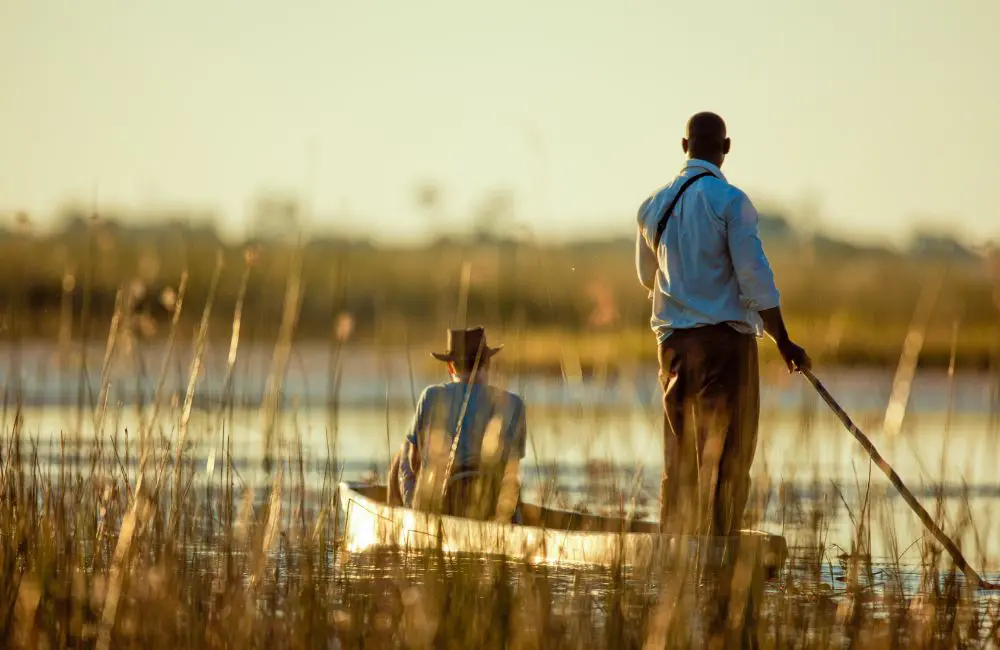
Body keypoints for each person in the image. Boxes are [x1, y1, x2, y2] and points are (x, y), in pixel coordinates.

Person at [635, 111, 811, 539]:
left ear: (684, 147)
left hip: (673, 348)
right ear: (726, 148)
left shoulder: (652, 206)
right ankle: (719, 545)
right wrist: (784, 340)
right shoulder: (731, 201)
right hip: (725, 346)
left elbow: (647, 277)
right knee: (730, 450)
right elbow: (755, 277)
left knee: (681, 451)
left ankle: (678, 546)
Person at [387, 327, 527, 522]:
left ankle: (413, 519)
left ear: (450, 367)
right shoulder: (514, 403)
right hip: (493, 505)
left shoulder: (431, 395)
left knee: (404, 452)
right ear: (487, 363)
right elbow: (512, 470)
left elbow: (413, 461)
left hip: (444, 504)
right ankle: (516, 524)